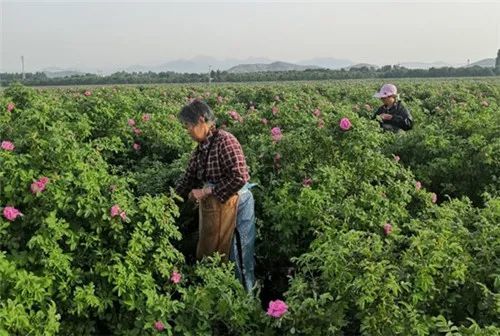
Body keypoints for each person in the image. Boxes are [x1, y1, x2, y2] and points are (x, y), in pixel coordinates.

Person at [175, 100, 256, 293]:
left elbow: (240, 176)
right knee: (215, 255)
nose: (187, 131)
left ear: (201, 120)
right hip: (218, 208)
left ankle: (248, 305)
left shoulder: (224, 141)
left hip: (237, 206)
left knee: (239, 257)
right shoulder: (200, 150)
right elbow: (187, 181)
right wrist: (168, 203)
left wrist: (206, 191)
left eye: (188, 125)